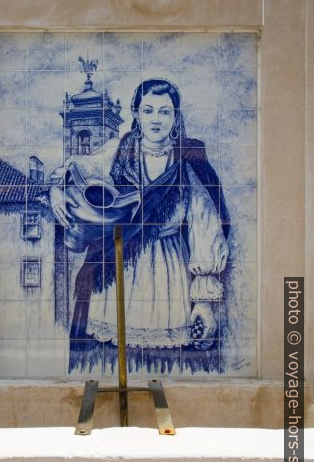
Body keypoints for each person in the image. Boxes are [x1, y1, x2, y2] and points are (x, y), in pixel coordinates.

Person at [50, 78, 230, 352]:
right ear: (136, 113)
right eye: (148, 110)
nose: (155, 119)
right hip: (119, 264)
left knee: (161, 357)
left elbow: (204, 224)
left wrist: (203, 300)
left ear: (175, 116)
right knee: (110, 353)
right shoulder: (119, 149)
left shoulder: (188, 157)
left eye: (164, 111)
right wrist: (56, 190)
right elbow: (76, 168)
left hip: (168, 271)